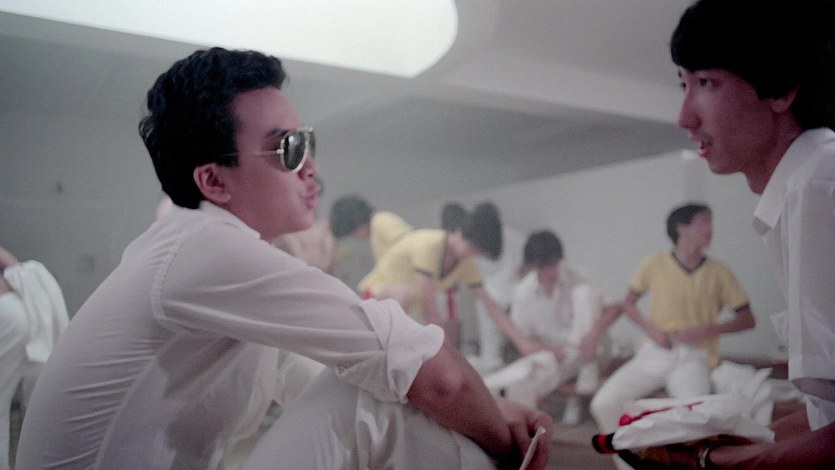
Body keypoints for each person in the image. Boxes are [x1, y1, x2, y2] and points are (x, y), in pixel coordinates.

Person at [14, 48, 552, 469]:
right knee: (374, 400)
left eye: (307, 142)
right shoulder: (205, 248)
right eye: (289, 149)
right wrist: (506, 442)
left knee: (377, 386)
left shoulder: (205, 254)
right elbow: (436, 377)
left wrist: (491, 408)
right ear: (214, 181)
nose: (312, 168)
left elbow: (316, 375)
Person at [622, 0, 835, 467]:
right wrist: (726, 442)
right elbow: (827, 413)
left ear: (781, 89)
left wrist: (711, 460)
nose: (683, 117)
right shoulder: (799, 190)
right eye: (683, 85)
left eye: (705, 83)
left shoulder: (819, 183)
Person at [585, 203, 755, 467]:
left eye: (710, 222)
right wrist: (653, 331)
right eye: (703, 222)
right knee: (604, 403)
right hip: (655, 351)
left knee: (695, 417)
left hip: (695, 357)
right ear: (682, 228)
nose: (710, 229)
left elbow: (747, 319)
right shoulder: (654, 263)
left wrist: (705, 330)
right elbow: (627, 303)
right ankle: (631, 465)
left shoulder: (719, 271)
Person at [358, 204, 539, 356]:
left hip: (408, 309)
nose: (471, 254)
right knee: (408, 300)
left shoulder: (465, 261)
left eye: (476, 252)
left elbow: (491, 306)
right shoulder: (429, 244)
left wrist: (523, 343)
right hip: (374, 296)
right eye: (470, 247)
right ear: (459, 233)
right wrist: (450, 357)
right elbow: (431, 309)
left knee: (438, 336)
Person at [481, 230, 611, 425]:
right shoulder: (524, 291)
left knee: (584, 293)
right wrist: (549, 349)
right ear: (532, 266)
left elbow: (613, 308)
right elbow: (524, 339)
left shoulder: (579, 276)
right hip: (556, 353)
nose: (550, 272)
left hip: (592, 348)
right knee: (526, 374)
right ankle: (525, 428)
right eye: (543, 267)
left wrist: (593, 335)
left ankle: (587, 371)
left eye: (553, 264)